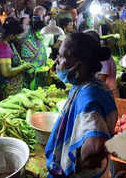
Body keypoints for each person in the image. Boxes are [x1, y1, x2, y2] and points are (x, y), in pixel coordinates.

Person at [46, 32, 117, 178]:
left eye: (61, 56)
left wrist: (75, 165)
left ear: (78, 63)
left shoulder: (88, 96)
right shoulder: (91, 84)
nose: (56, 61)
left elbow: (95, 146)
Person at [0, 18, 33, 101]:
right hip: (7, 89)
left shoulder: (0, 38)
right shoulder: (3, 47)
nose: (18, 38)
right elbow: (6, 72)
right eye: (17, 35)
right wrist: (23, 67)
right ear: (12, 35)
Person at [85, 30, 119, 98]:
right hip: (105, 92)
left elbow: (101, 79)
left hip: (109, 93)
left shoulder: (103, 57)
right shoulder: (99, 54)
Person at [18, 20, 48, 89]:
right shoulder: (27, 42)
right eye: (41, 31)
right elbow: (26, 61)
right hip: (31, 76)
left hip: (42, 74)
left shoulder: (40, 40)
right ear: (36, 30)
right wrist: (34, 71)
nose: (43, 34)